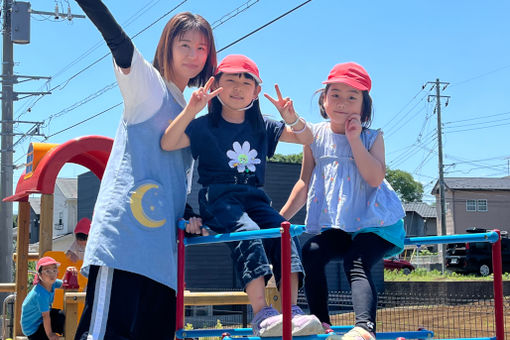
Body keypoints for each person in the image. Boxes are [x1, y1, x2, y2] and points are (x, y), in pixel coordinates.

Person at [72, 1, 216, 339]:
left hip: (162, 260)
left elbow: (177, 180)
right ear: (166, 46)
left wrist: (191, 215)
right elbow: (119, 43)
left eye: (201, 48)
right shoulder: (149, 87)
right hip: (124, 243)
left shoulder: (190, 109)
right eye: (184, 45)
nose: (193, 55)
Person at [161, 54, 323, 337]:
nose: (238, 87)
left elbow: (306, 138)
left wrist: (292, 118)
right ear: (216, 86)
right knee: (247, 232)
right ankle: (261, 313)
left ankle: (292, 310)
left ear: (256, 91)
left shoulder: (264, 125)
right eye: (230, 80)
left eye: (246, 81)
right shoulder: (203, 126)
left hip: (254, 198)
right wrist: (191, 109)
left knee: (283, 232)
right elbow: (168, 141)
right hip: (218, 198)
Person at [280, 62, 406, 340]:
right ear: (323, 100)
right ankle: (321, 324)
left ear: (364, 106)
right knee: (311, 252)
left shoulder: (372, 137)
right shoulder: (313, 137)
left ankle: (364, 328)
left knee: (356, 261)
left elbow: (374, 178)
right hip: (342, 226)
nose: (342, 103)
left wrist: (354, 140)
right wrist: (281, 219)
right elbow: (304, 184)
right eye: (335, 94)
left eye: (353, 96)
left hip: (377, 223)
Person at [21, 257, 76, 340]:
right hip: (32, 329)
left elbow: (65, 285)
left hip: (38, 320)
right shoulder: (40, 294)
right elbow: (45, 316)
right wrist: (50, 335)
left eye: (54, 270)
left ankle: (68, 335)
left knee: (60, 316)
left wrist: (68, 272)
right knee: (57, 319)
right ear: (39, 275)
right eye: (47, 271)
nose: (52, 274)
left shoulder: (51, 283)